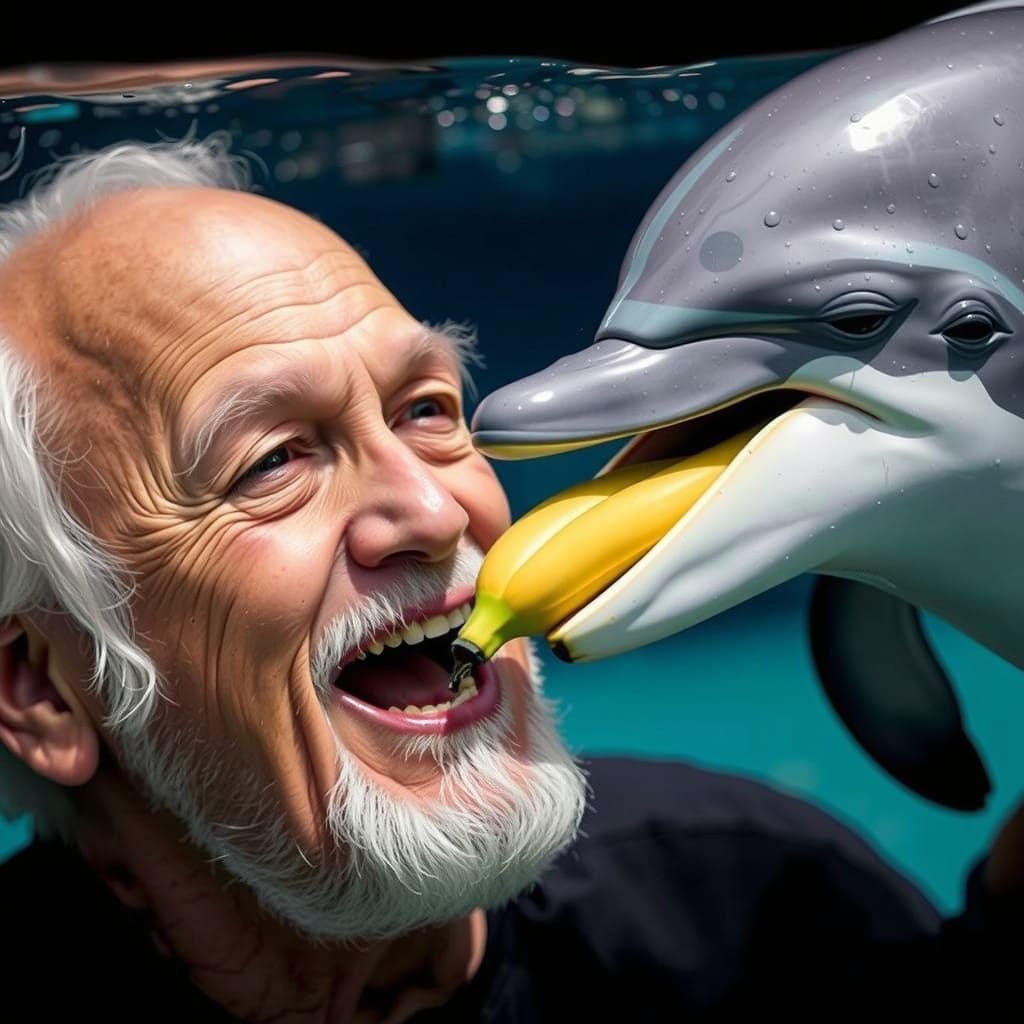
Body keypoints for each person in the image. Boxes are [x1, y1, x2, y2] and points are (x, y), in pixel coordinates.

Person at [0, 138, 1018, 1023]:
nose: (437, 514)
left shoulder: (749, 906)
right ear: (42, 687)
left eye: (427, 409)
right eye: (270, 462)